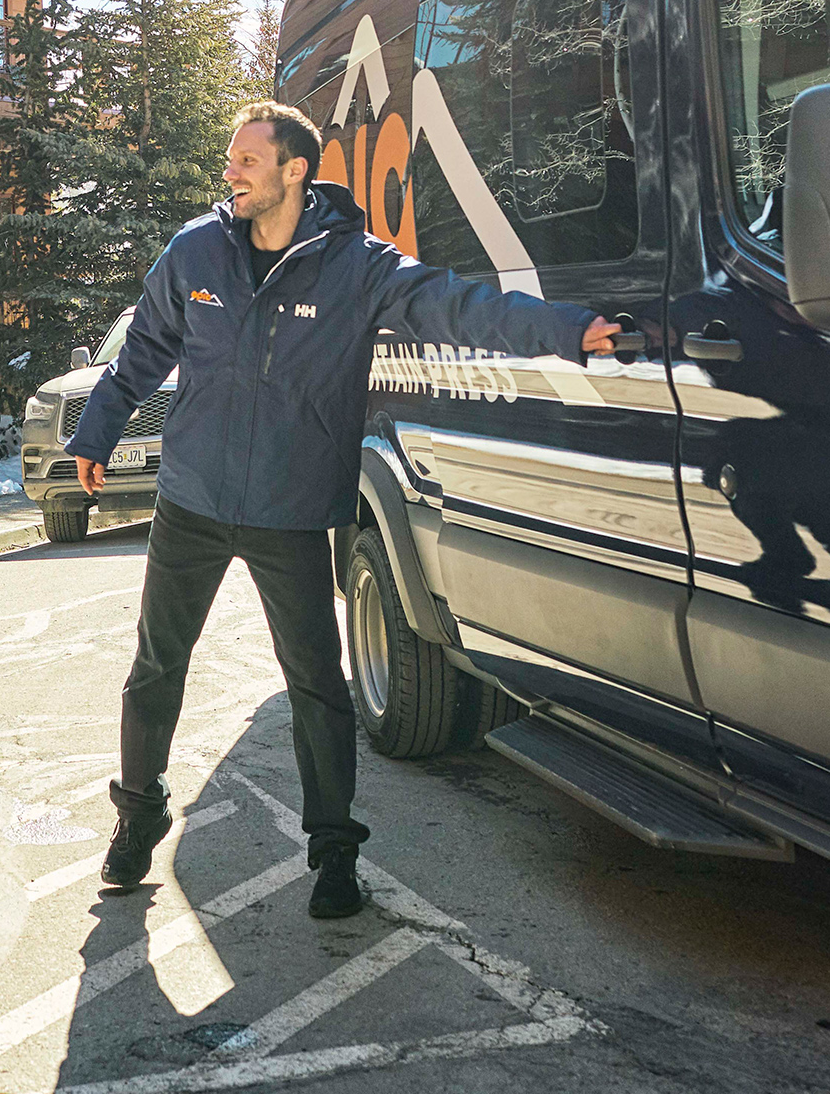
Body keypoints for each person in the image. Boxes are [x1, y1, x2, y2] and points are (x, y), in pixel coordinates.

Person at [64, 100, 617, 919]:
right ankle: (137, 819)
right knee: (156, 667)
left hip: (289, 506)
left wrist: (571, 332)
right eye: (230, 157)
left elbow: (456, 306)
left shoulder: (356, 266)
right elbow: (144, 348)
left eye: (248, 158)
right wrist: (98, 431)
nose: (231, 171)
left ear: (295, 170)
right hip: (194, 496)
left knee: (318, 685)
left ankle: (332, 854)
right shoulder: (196, 250)